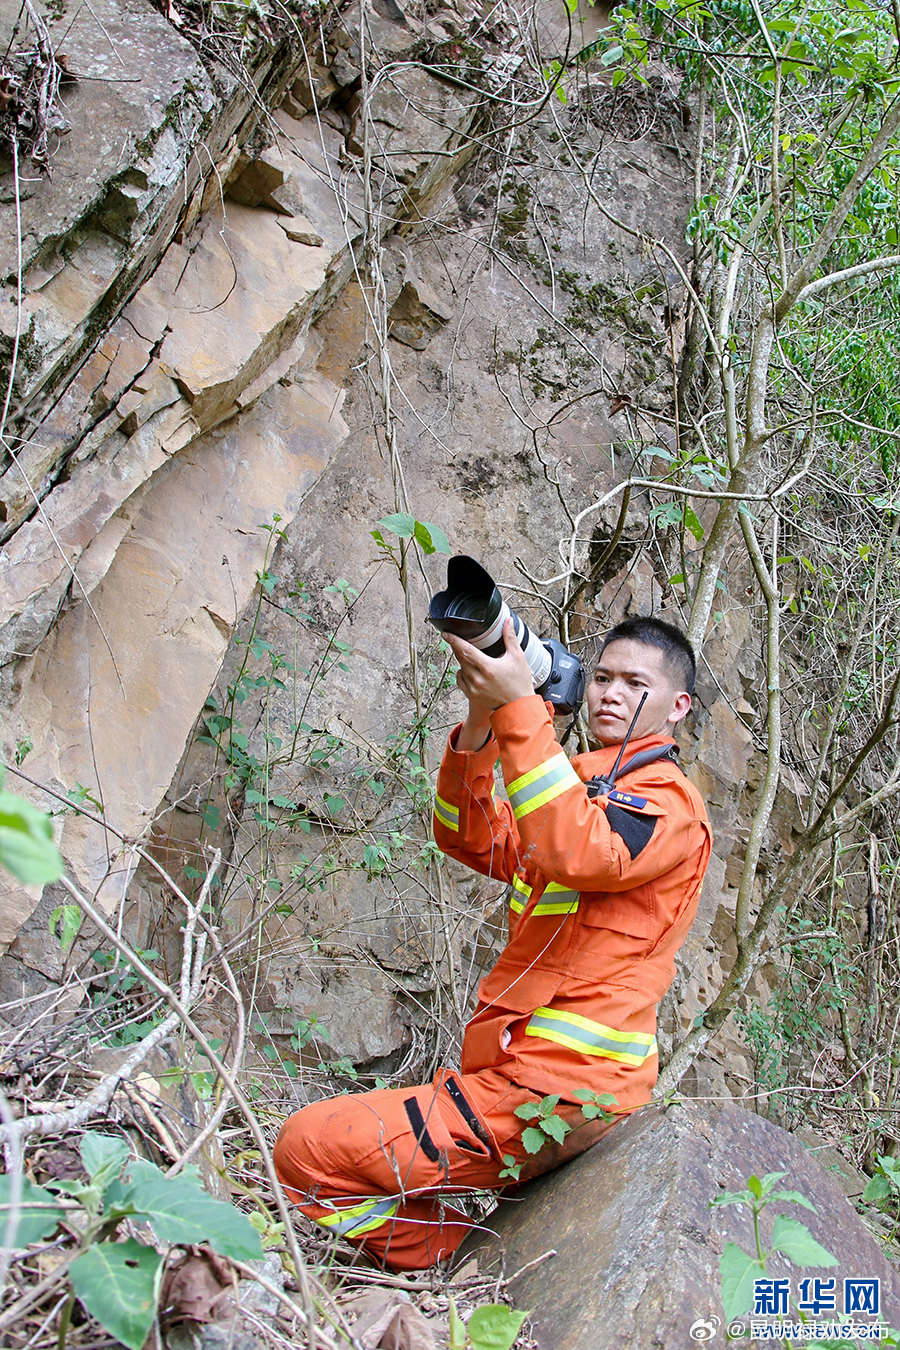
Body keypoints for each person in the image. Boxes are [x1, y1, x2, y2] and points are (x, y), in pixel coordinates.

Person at [274, 614, 712, 1271]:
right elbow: (468, 835)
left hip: (561, 1089)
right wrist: (483, 717)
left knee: (306, 1150)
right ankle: (471, 1260)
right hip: (525, 1080)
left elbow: (577, 847)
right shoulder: (585, 794)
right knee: (328, 1153)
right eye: (601, 678)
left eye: (634, 684)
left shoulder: (668, 806)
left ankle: (451, 1264)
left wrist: (517, 708)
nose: (610, 694)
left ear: (678, 706)